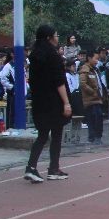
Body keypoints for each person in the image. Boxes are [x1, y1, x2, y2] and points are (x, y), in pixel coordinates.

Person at [24, 25, 72, 182]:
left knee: (43, 134)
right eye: (56, 35)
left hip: (39, 101)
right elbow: (59, 82)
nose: (58, 38)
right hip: (53, 101)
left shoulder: (34, 56)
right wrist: (66, 103)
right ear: (49, 38)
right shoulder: (53, 56)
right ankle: (51, 168)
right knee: (56, 133)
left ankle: (34, 167)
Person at [79, 48, 106, 145]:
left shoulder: (95, 69)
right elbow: (83, 84)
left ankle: (95, 137)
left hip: (97, 98)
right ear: (89, 58)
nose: (97, 61)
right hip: (90, 99)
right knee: (94, 117)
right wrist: (93, 92)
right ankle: (94, 137)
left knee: (97, 117)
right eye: (95, 58)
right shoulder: (85, 69)